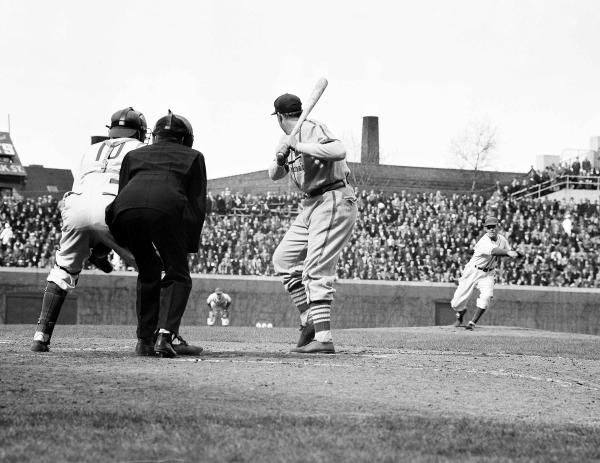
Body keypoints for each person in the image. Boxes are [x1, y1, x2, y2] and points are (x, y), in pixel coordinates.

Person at [30, 107, 145, 352]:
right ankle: (150, 338)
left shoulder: (91, 149)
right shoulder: (140, 149)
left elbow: (79, 184)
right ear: (140, 131)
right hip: (111, 207)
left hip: (76, 204)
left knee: (62, 271)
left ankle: (41, 336)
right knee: (148, 268)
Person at [106, 110, 207, 358]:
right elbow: (196, 206)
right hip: (166, 209)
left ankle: (143, 341)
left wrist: (121, 242)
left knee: (148, 271)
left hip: (124, 212)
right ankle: (164, 336)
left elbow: (122, 192)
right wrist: (186, 248)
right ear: (186, 139)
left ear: (155, 136)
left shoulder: (134, 154)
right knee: (178, 275)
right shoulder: (194, 156)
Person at [268, 92, 357, 353]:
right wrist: (281, 157)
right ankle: (309, 318)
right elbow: (274, 175)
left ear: (280, 116)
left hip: (333, 197)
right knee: (282, 259)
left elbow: (339, 150)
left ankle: (324, 338)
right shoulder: (287, 138)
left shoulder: (312, 127)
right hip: (309, 204)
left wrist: (299, 146)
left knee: (315, 268)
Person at [450, 216, 520, 330]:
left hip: (488, 274)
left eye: (493, 226)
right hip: (473, 271)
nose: (491, 229)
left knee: (486, 296)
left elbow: (509, 252)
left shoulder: (502, 239)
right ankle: (461, 312)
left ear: (497, 227)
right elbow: (495, 251)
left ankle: (472, 323)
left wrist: (516, 255)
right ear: (485, 229)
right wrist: (508, 253)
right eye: (489, 227)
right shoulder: (483, 241)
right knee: (455, 303)